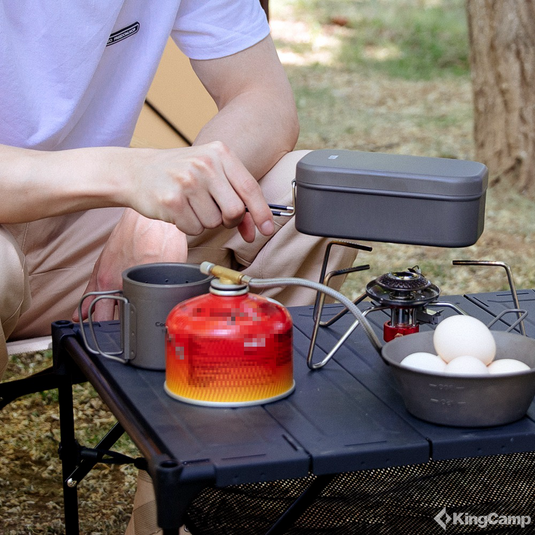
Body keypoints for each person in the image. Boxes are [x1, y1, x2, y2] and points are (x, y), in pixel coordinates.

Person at [0, 1, 357, 533]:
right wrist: (130, 177)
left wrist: (166, 211)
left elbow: (264, 99)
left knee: (316, 194)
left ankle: (180, 507)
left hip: (88, 228)